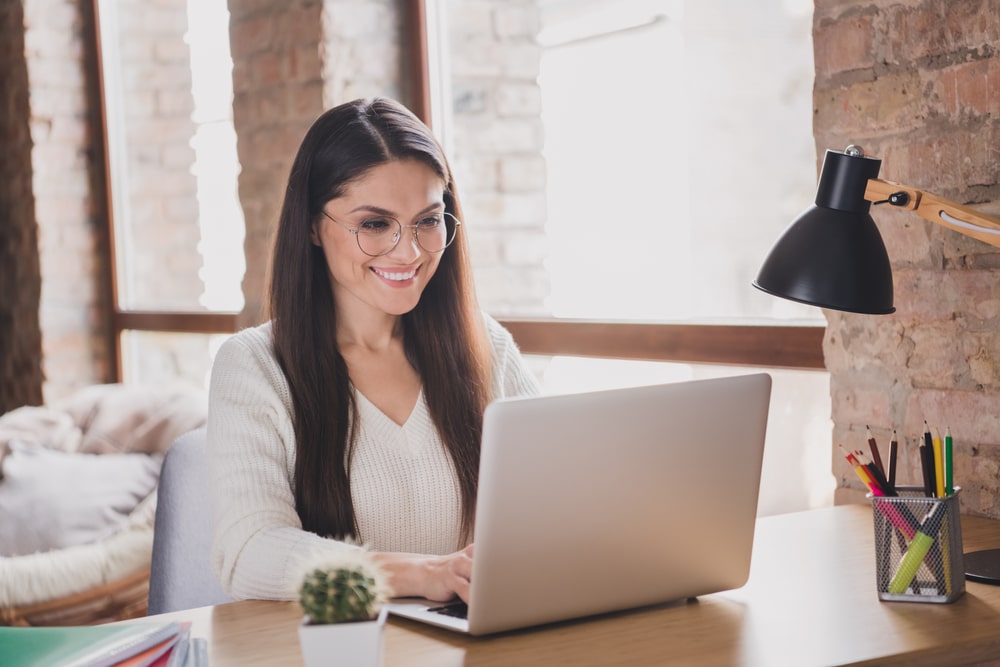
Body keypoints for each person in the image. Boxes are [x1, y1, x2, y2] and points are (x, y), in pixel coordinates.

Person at [206, 97, 541, 604]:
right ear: (315, 228)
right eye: (375, 224)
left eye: (428, 220)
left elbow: (557, 504)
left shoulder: (485, 347)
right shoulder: (254, 367)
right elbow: (249, 554)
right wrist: (421, 574)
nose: (408, 252)